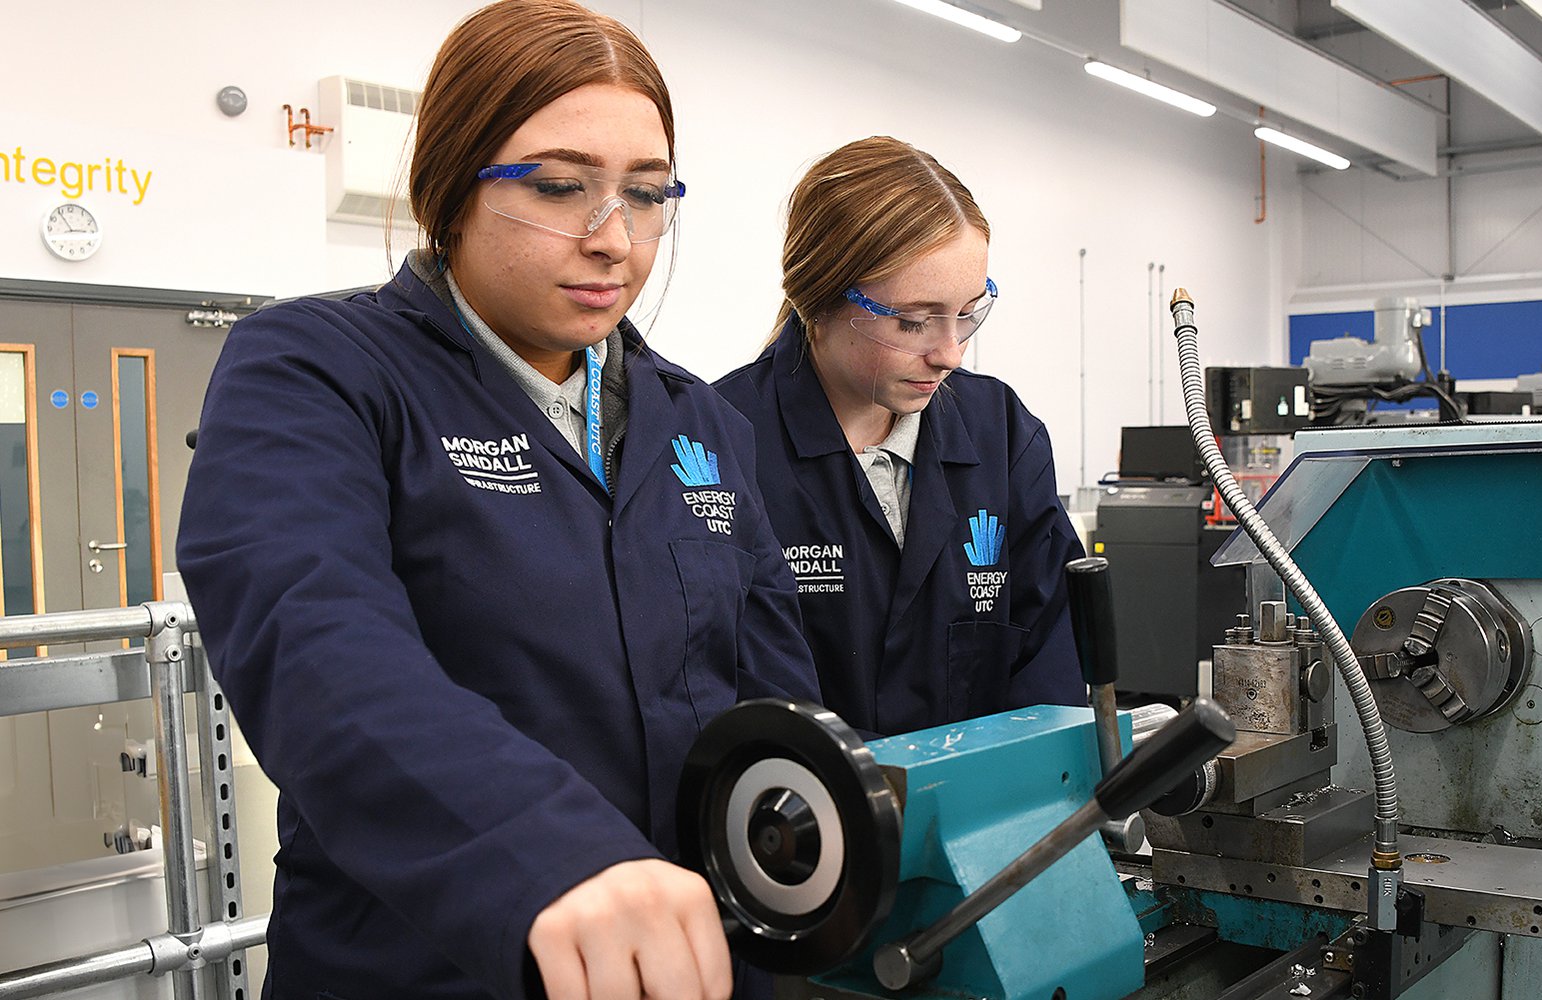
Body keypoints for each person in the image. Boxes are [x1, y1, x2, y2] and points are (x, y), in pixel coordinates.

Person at [176, 4, 819, 999]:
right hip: (419, 964)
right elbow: (317, 647)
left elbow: (776, 700)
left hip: (688, 966)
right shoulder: (314, 372)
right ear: (449, 188)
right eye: (560, 187)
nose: (615, 239)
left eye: (647, 195)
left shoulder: (697, 422)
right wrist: (544, 849)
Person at [714, 137, 1086, 739]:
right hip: (814, 817)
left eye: (968, 312)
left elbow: (1053, 653)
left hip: (987, 815)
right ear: (820, 298)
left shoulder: (1001, 434)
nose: (950, 353)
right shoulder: (723, 443)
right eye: (912, 321)